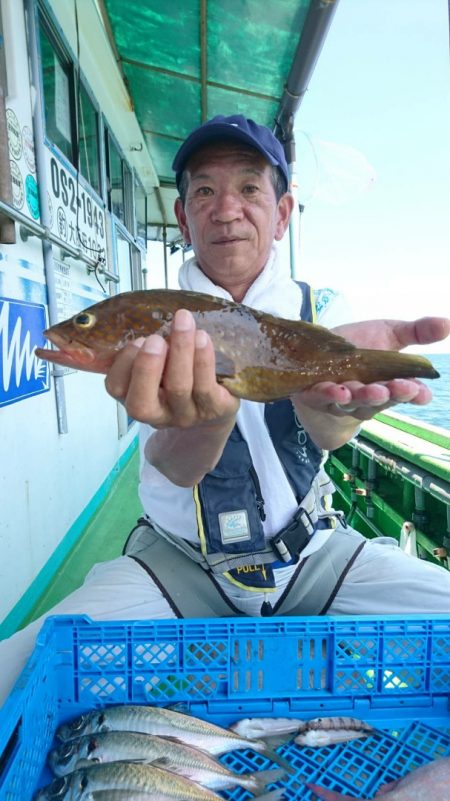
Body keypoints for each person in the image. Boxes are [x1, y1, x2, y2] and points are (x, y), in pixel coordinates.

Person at [0, 115, 449, 706]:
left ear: (281, 214)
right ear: (183, 217)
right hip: (178, 566)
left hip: (315, 554)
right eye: (205, 191)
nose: (227, 209)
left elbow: (329, 434)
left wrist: (337, 408)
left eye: (249, 188)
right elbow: (175, 467)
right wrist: (207, 422)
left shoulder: (327, 313)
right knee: (17, 677)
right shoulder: (156, 319)